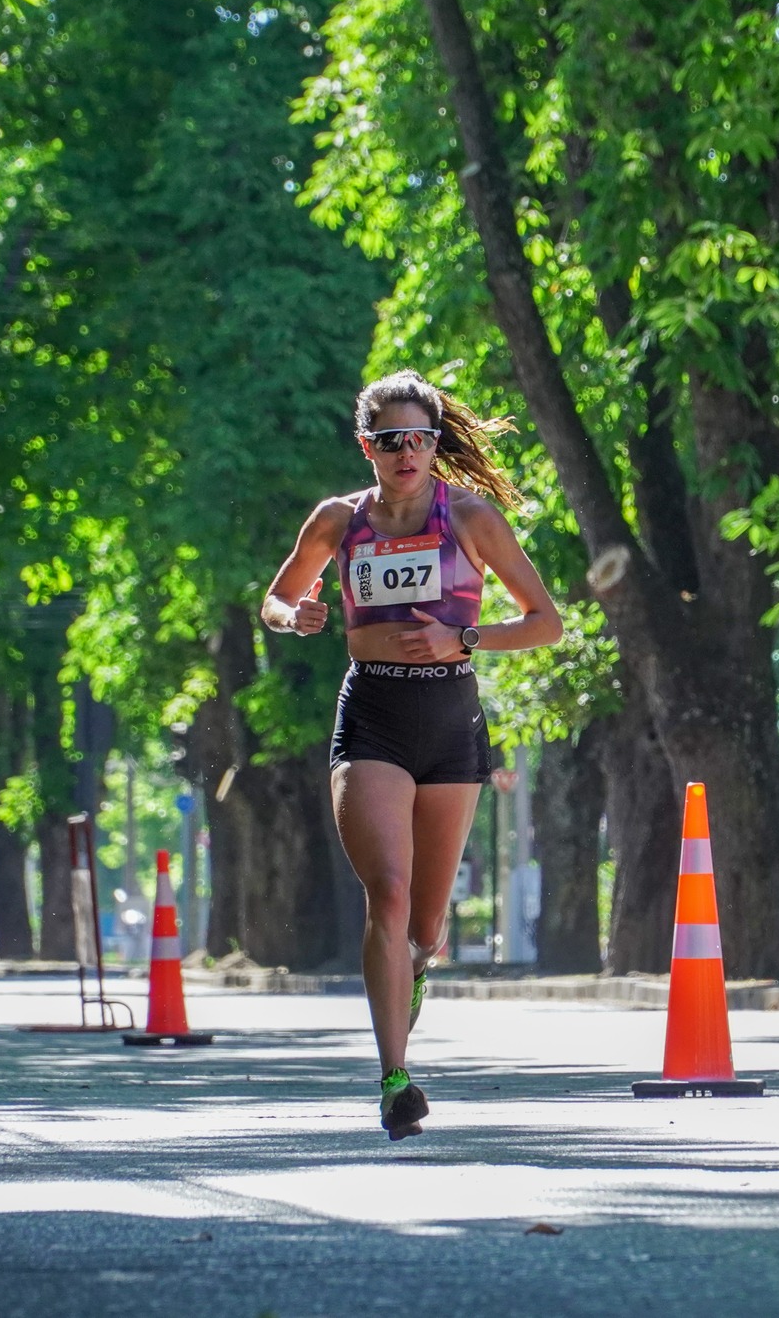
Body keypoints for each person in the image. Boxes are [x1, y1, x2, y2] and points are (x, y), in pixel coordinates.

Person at [261, 370, 562, 1139]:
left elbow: (544, 621)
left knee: (424, 924)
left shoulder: (469, 518)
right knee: (387, 895)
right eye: (390, 440)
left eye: (419, 439)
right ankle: (395, 1077)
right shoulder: (338, 520)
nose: (405, 452)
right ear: (367, 447)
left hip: (450, 718)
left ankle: (417, 967)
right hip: (373, 715)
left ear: (434, 446)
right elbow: (274, 599)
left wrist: (464, 636)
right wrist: (296, 616)